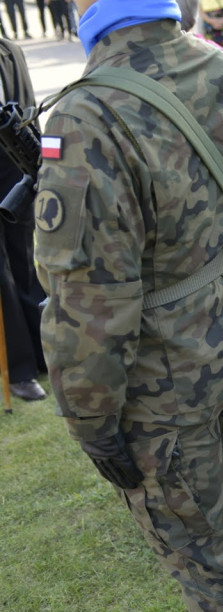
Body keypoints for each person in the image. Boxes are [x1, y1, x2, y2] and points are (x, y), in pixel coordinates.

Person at [33, 1, 223, 612]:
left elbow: (91, 304)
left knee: (210, 567)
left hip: (163, 378)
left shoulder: (85, 117)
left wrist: (93, 427)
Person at [1, 36, 46, 402]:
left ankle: (45, 350)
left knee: (25, 261)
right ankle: (20, 369)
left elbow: (29, 108)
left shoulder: (9, 50)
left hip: (11, 163)